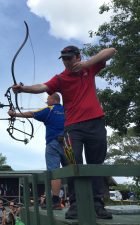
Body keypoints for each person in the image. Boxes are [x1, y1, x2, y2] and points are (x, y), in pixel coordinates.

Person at [11, 45, 116, 219]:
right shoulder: (60, 78)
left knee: (95, 166)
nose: (66, 62)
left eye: (69, 58)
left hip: (96, 123)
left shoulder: (88, 68)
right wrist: (23, 89)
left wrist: (87, 63)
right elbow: (42, 86)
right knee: (73, 164)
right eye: (64, 59)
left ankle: (98, 205)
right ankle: (75, 204)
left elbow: (112, 51)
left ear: (77, 56)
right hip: (73, 127)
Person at [8, 93, 67, 209]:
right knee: (71, 170)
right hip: (69, 143)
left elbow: (31, 114)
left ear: (54, 99)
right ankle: (77, 199)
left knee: (54, 173)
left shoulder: (49, 109)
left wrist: (14, 114)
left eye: (48, 99)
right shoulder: (67, 109)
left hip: (53, 143)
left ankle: (55, 201)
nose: (46, 101)